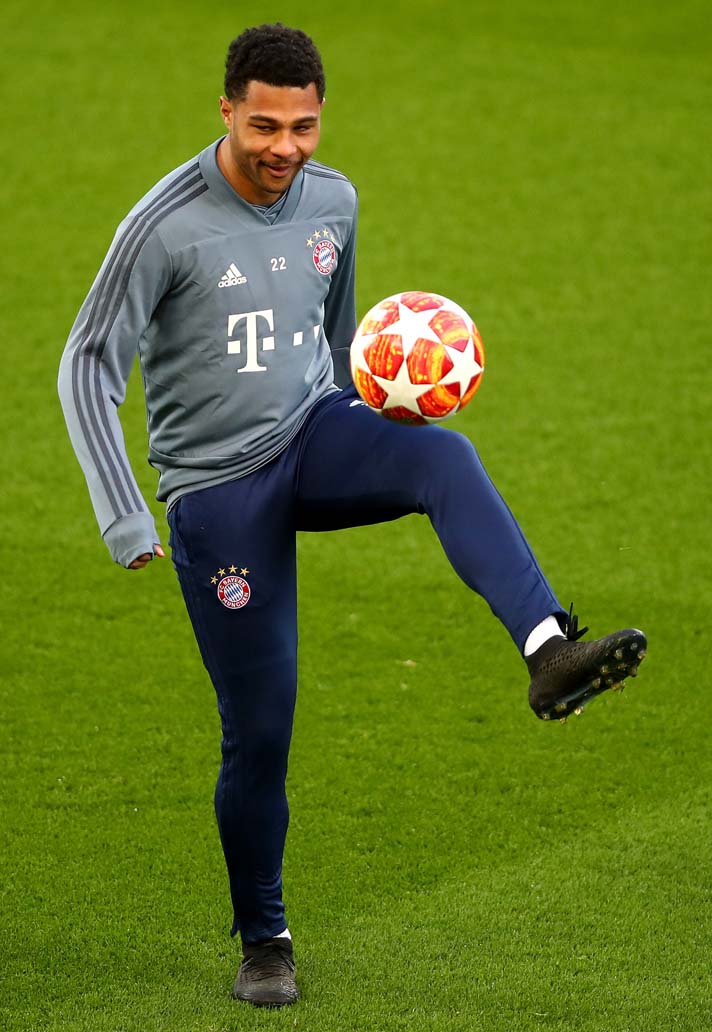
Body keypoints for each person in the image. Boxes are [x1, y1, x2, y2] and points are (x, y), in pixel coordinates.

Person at [58, 23, 646, 1009]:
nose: (284, 147)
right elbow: (85, 364)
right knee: (261, 730)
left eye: (303, 126)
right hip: (215, 490)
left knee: (443, 456)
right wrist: (124, 515)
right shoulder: (162, 227)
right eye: (263, 126)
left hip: (314, 436)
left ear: (320, 117)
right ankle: (265, 940)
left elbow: (336, 336)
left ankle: (549, 650)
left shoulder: (335, 200)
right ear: (226, 112)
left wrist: (364, 419)